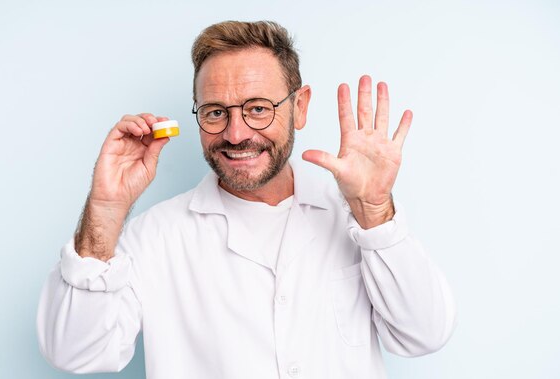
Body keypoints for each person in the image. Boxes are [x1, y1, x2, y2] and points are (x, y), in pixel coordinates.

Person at [37, 20, 456, 379]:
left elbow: (423, 334)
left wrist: (375, 212)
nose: (236, 134)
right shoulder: (153, 238)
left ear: (300, 107)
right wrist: (105, 211)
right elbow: (75, 351)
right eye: (216, 112)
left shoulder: (356, 213)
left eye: (258, 108)